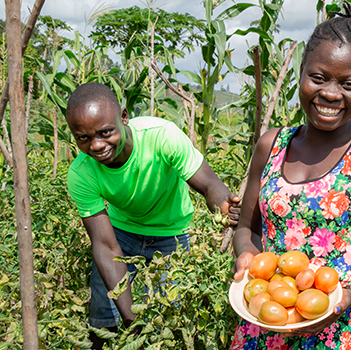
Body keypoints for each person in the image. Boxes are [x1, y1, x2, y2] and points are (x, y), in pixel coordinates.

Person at [231, 3, 351, 349]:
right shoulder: (271, 145)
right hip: (263, 325)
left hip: (335, 332)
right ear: (301, 73)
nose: (332, 94)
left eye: (349, 83)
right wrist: (247, 259)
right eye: (318, 78)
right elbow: (248, 228)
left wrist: (349, 296)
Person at [64, 82, 241, 349]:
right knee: (104, 320)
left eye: (105, 132)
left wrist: (224, 206)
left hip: (172, 236)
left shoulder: (161, 136)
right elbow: (104, 245)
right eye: (83, 138)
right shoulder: (81, 173)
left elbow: (208, 185)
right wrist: (131, 321)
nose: (97, 145)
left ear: (124, 117)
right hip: (120, 235)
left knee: (166, 321)